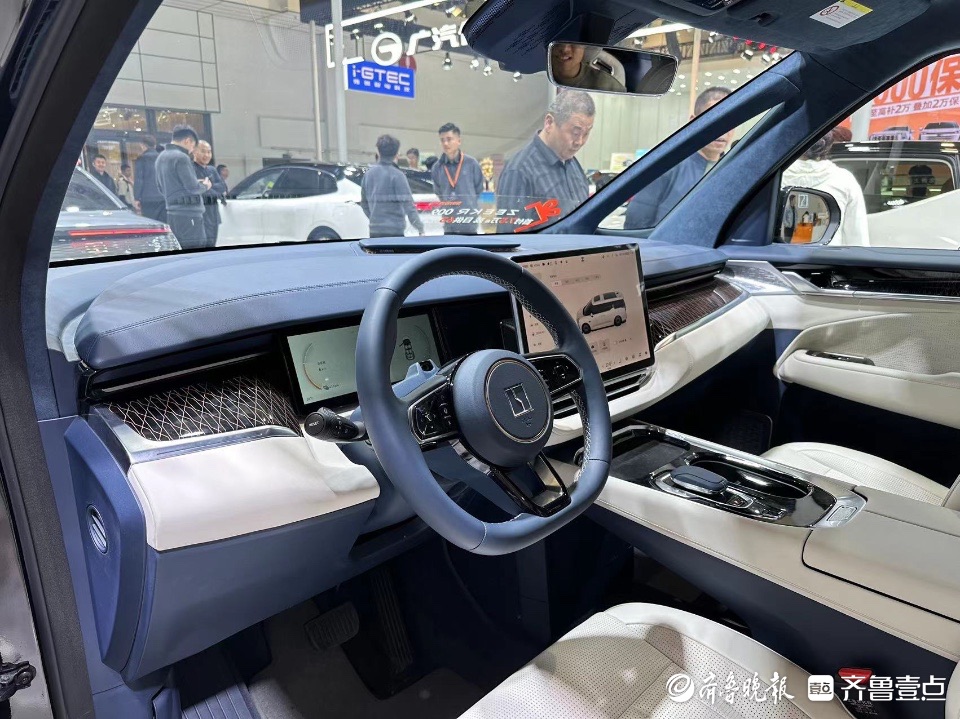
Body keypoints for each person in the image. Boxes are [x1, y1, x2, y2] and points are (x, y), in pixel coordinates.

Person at [624, 87, 734, 230]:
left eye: (731, 120)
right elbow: (636, 224)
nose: (723, 129)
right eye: (715, 119)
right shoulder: (665, 166)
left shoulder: (734, 170)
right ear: (694, 121)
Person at [496, 91, 595, 229]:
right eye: (575, 133)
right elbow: (510, 236)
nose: (579, 141)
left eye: (586, 133)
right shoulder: (519, 171)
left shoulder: (572, 163)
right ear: (549, 123)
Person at [781, 130, 869, 246]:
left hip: (779, 255)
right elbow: (857, 236)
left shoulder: (775, 178)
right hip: (828, 255)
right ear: (827, 146)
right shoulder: (844, 179)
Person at [155, 125, 212, 249]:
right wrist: (205, 185)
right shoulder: (181, 157)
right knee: (196, 250)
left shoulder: (160, 157)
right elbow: (193, 188)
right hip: (190, 214)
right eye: (193, 146)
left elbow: (160, 188)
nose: (192, 151)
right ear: (187, 141)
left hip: (172, 214)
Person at [360, 134, 425, 238]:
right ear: (396, 153)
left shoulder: (368, 175)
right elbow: (408, 205)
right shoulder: (398, 175)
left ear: (378, 151)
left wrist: (374, 219)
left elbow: (364, 204)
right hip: (395, 231)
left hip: (374, 231)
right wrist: (420, 228)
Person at [431, 123, 484, 235]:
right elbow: (438, 192)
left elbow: (478, 189)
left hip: (469, 221)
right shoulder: (437, 167)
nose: (445, 143)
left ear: (458, 141)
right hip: (449, 223)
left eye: (449, 139)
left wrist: (468, 203)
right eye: (442, 140)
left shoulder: (471, 163)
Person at [550, 43, 625, 93]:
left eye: (575, 41)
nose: (564, 49)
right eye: (557, 40)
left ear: (585, 47)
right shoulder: (542, 75)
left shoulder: (607, 85)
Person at [192, 140, 226, 244]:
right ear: (194, 152)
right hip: (200, 215)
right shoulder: (190, 169)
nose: (207, 155)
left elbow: (223, 187)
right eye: (203, 151)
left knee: (213, 245)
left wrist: (207, 187)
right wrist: (210, 189)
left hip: (214, 215)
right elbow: (197, 190)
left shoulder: (212, 170)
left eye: (209, 152)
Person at [134, 135, 165, 221]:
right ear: (154, 145)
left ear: (142, 145)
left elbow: (139, 179)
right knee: (163, 222)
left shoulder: (141, 159)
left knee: (150, 222)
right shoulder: (162, 159)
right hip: (162, 197)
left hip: (147, 198)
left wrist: (136, 198)